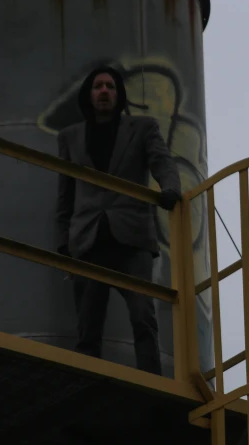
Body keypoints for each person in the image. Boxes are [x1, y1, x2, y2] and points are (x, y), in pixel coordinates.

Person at [54, 65, 181, 376]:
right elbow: (65, 193)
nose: (104, 91)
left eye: (110, 86)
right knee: (88, 323)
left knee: (142, 315)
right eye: (98, 86)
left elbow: (161, 160)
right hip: (88, 238)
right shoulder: (70, 138)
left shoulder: (142, 128)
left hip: (131, 236)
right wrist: (62, 242)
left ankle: (152, 379)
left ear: (119, 94)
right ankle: (87, 380)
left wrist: (171, 188)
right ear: (89, 94)